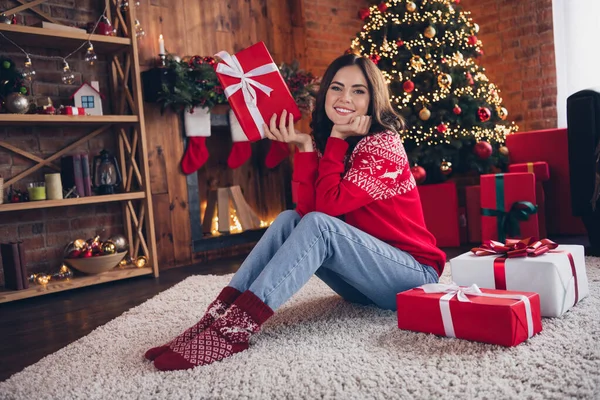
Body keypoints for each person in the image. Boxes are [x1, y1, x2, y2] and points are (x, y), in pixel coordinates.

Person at [146, 54, 446, 371]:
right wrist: (305, 147)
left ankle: (236, 328)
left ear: (373, 100)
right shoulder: (332, 143)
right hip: (364, 286)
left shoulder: (383, 145)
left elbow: (325, 213)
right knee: (290, 219)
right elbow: (305, 216)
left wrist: (335, 140)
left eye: (358, 91)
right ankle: (218, 316)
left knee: (319, 224)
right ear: (325, 95)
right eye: (337, 88)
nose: (345, 98)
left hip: (411, 280)